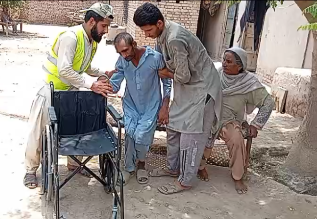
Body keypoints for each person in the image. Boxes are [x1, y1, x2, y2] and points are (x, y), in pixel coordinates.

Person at [133, 3, 223, 195]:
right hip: (186, 90)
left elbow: (184, 76)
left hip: (201, 91)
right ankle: (173, 169)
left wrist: (165, 73)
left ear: (159, 23)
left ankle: (186, 181)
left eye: (148, 30)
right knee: (173, 129)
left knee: (191, 139)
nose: (147, 35)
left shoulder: (174, 39)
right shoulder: (162, 36)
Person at [23, 3, 115, 189]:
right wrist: (92, 84)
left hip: (70, 91)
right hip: (50, 90)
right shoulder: (71, 37)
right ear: (91, 21)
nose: (105, 31)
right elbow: (65, 69)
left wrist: (103, 72)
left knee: (76, 126)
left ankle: (74, 164)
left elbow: (84, 66)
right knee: (37, 132)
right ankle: (31, 170)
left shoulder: (92, 41)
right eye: (103, 26)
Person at [198, 47, 274, 194]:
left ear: (240, 66)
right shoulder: (217, 74)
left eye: (229, 61)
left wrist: (256, 124)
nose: (224, 64)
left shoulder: (249, 83)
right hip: (209, 116)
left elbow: (268, 103)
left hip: (229, 121)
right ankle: (200, 168)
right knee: (199, 135)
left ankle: (237, 177)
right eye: (223, 60)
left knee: (237, 139)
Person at [108, 32, 171, 185]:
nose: (123, 55)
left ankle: (141, 164)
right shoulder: (122, 61)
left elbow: (167, 82)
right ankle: (129, 168)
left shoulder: (154, 58)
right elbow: (115, 84)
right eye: (120, 52)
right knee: (130, 133)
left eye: (125, 50)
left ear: (134, 45)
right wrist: (104, 82)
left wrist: (165, 106)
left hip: (151, 105)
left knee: (142, 135)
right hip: (130, 104)